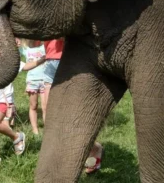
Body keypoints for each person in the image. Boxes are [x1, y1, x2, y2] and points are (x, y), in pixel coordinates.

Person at [43, 38, 104, 174]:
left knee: (72, 115)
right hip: (49, 64)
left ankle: (94, 148)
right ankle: (57, 155)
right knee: (47, 112)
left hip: (67, 62)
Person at [20, 39, 47, 135]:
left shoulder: (44, 46)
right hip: (32, 81)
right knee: (33, 105)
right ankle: (35, 129)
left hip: (45, 80)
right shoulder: (24, 48)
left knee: (45, 106)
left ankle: (47, 129)